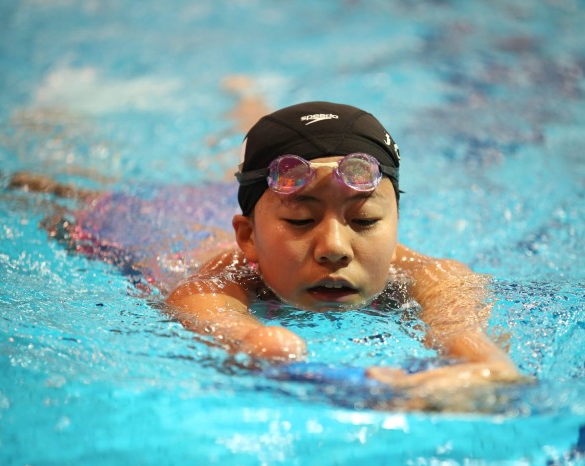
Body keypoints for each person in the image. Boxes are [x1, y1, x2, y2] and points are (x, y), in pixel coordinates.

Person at [165, 101, 524, 398]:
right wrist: (258, 341)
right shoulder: (214, 281)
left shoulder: (437, 277)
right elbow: (225, 324)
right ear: (248, 238)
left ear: (397, 224)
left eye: (365, 220)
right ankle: (243, 100)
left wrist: (478, 377)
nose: (334, 249)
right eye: (301, 220)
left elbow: (470, 342)